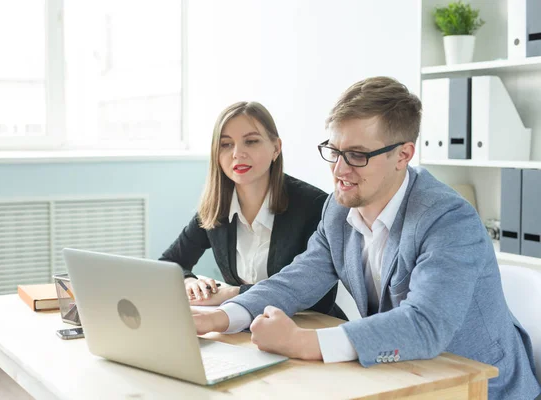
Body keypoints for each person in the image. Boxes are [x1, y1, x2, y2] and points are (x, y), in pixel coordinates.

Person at [192, 77, 541, 399]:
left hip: (477, 387)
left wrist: (304, 342)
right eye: (334, 150)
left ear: (403, 155)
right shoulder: (339, 209)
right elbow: (298, 280)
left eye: (357, 156)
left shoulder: (448, 219)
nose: (340, 171)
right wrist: (224, 316)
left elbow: (425, 326)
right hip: (403, 376)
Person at [160, 101, 345, 319]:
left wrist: (233, 293)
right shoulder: (216, 206)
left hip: (306, 326)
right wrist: (189, 281)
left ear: (276, 148)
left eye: (251, 141)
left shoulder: (314, 205)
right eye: (226, 145)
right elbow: (169, 264)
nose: (238, 154)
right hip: (244, 325)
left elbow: (319, 298)